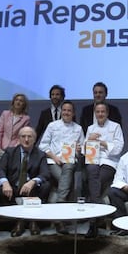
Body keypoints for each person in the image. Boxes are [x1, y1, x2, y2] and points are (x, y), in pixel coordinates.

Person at [39, 100, 84, 234]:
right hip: (54, 162)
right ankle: (62, 218)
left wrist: (78, 149)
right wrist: (54, 157)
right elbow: (43, 145)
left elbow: (82, 150)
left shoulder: (78, 128)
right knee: (68, 181)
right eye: (64, 110)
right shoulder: (52, 126)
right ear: (61, 112)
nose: (66, 112)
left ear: (73, 113)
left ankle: (58, 216)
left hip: (70, 162)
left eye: (69, 110)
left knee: (69, 168)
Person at [0, 126, 51, 237]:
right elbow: (0, 169)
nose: (26, 139)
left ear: (34, 139)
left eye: (29, 137)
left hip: (31, 189)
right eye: (23, 136)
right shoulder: (10, 152)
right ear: (19, 138)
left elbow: (45, 173)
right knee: (1, 187)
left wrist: (32, 182)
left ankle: (33, 221)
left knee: (45, 185)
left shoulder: (40, 154)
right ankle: (18, 221)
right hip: (12, 187)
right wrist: (5, 183)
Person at [84, 101, 124, 238]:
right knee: (92, 173)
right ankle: (96, 219)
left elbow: (118, 148)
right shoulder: (90, 128)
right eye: (98, 112)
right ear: (95, 113)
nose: (100, 114)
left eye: (103, 112)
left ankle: (92, 224)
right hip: (93, 160)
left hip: (109, 161)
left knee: (95, 181)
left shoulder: (115, 126)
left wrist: (101, 143)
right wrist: (89, 140)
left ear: (107, 113)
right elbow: (85, 150)